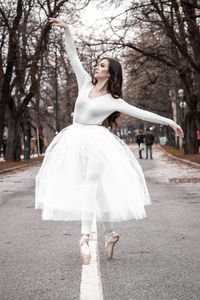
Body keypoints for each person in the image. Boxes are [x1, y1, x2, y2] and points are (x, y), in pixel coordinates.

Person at [35, 18, 184, 265]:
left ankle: (84, 237)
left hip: (97, 145)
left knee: (90, 187)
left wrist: (170, 122)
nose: (97, 67)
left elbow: (142, 113)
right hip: (74, 139)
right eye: (97, 64)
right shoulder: (84, 83)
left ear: (110, 73)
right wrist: (68, 31)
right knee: (99, 191)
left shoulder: (114, 101)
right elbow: (73, 56)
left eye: (102, 65)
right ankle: (110, 233)